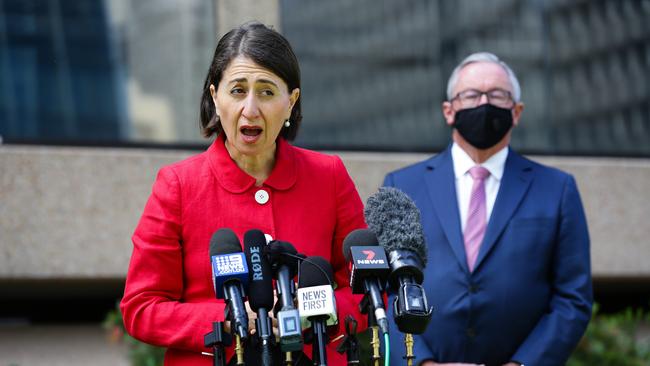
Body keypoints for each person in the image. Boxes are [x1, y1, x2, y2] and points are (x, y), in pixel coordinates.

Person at [120, 22, 367, 365]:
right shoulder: (177, 185)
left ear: (291, 101)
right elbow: (141, 308)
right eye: (237, 90)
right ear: (215, 97)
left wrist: (310, 313)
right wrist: (228, 317)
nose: (250, 108)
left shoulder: (330, 177)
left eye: (267, 92)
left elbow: (363, 290)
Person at [383, 52, 592, 366]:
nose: (484, 103)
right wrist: (421, 362)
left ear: (517, 111)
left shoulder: (557, 189)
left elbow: (572, 297)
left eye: (497, 95)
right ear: (449, 110)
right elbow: (385, 291)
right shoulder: (402, 186)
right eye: (470, 95)